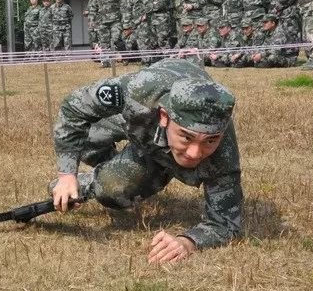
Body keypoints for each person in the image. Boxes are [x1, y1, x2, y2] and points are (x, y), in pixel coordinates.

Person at [50, 58, 242, 264]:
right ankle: (91, 177)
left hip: (160, 140)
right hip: (139, 118)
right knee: (87, 140)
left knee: (111, 191)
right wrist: (66, 174)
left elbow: (225, 223)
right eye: (186, 137)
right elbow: (74, 107)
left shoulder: (224, 151)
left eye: (210, 141)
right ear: (165, 117)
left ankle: (102, 180)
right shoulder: (135, 91)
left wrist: (188, 242)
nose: (195, 153)